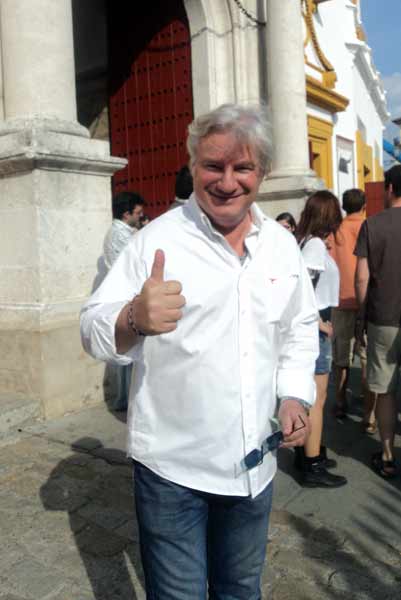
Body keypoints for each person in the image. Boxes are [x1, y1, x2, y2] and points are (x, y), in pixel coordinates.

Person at [80, 103, 318, 599]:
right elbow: (91, 329)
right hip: (173, 470)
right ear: (193, 168)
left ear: (263, 173)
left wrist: (295, 396)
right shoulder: (153, 243)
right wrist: (132, 318)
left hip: (254, 467)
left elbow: (298, 328)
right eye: (214, 166)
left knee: (240, 591)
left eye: (243, 167)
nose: (227, 182)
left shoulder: (280, 245)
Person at [295, 190, 347, 488]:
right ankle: (312, 464)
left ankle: (309, 453)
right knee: (317, 398)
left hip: (312, 326)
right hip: (315, 328)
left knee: (311, 397)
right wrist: (319, 323)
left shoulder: (307, 242)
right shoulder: (314, 246)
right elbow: (300, 288)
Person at [355, 165, 401, 478]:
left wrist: (362, 314)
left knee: (385, 390)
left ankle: (386, 456)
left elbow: (361, 278)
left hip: (383, 317)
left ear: (389, 189)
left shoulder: (372, 225)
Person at [330, 189, 376, 431]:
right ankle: (369, 417)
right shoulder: (370, 227)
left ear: (344, 206)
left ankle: (339, 402)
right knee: (367, 359)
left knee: (341, 358)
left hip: (340, 301)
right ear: (364, 205)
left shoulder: (335, 231)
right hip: (366, 301)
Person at [103, 191, 145, 410]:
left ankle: (124, 399)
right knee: (129, 358)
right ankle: (127, 400)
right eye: (137, 213)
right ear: (126, 213)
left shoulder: (121, 232)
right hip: (127, 301)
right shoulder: (121, 235)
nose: (140, 216)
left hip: (126, 300)